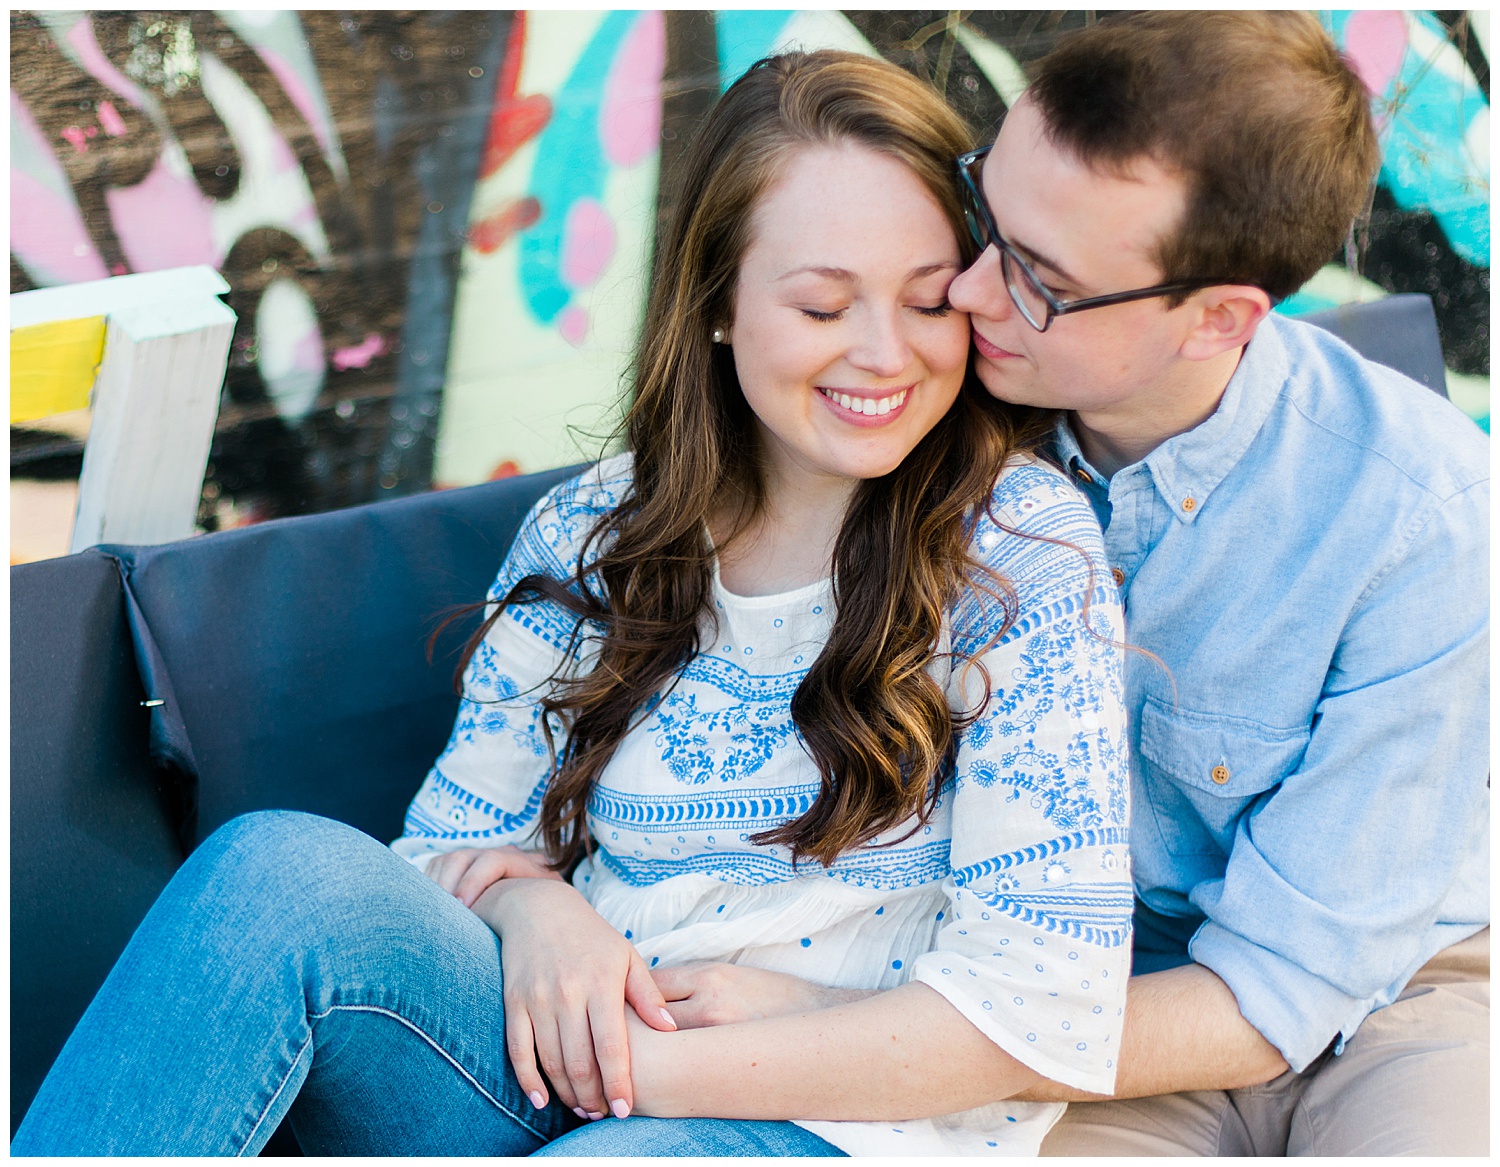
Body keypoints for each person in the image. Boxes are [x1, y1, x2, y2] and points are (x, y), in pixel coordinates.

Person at [13, 51, 1132, 1157]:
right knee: (275, 875)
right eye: (824, 305)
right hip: (558, 1057)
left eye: (930, 302)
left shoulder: (1019, 556)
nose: (885, 353)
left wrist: (648, 1080)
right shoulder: (601, 525)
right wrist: (532, 912)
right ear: (720, 307)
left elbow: (1043, 1008)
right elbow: (444, 848)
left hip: (836, 1120)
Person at [939, 10, 1488, 1156]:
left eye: (1042, 279)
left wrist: (880, 1044)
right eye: (986, 211)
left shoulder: (1424, 516)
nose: (973, 293)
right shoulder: (935, 430)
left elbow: (1288, 987)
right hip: (1096, 996)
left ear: (1221, 320)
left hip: (1415, 992)